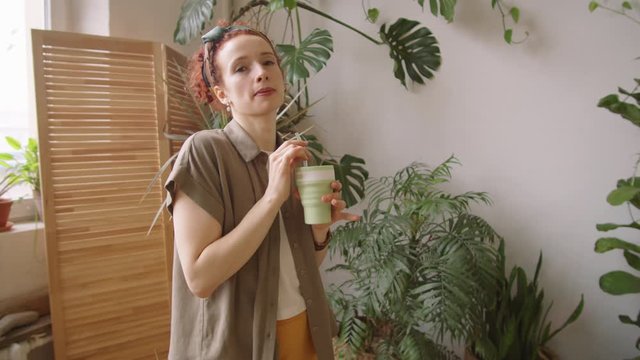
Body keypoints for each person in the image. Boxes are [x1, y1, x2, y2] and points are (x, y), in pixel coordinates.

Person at [164, 22, 360, 360]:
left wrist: (320, 231)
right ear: (221, 93)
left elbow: (301, 266)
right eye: (242, 68)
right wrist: (271, 198)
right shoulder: (206, 152)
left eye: (268, 62)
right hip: (239, 345)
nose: (261, 73)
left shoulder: (293, 156)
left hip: (304, 333)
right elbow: (200, 278)